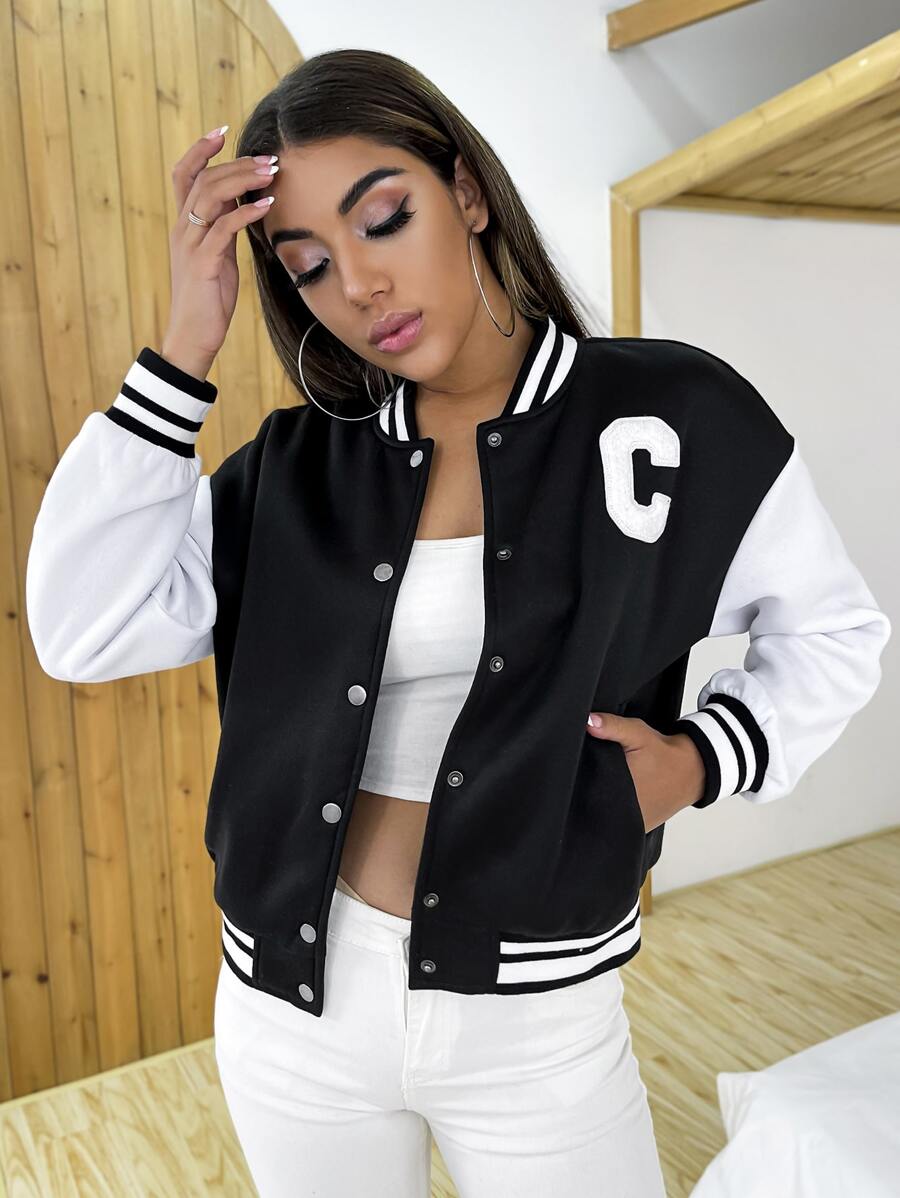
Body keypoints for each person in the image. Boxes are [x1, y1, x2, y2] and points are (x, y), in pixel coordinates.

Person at [25, 49, 890, 1198]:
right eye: (308, 264)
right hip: (289, 1016)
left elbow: (834, 631)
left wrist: (699, 759)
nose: (358, 285)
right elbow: (80, 626)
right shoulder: (292, 470)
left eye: (384, 218)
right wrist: (184, 346)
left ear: (467, 191)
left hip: (534, 1015)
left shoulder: (671, 417)